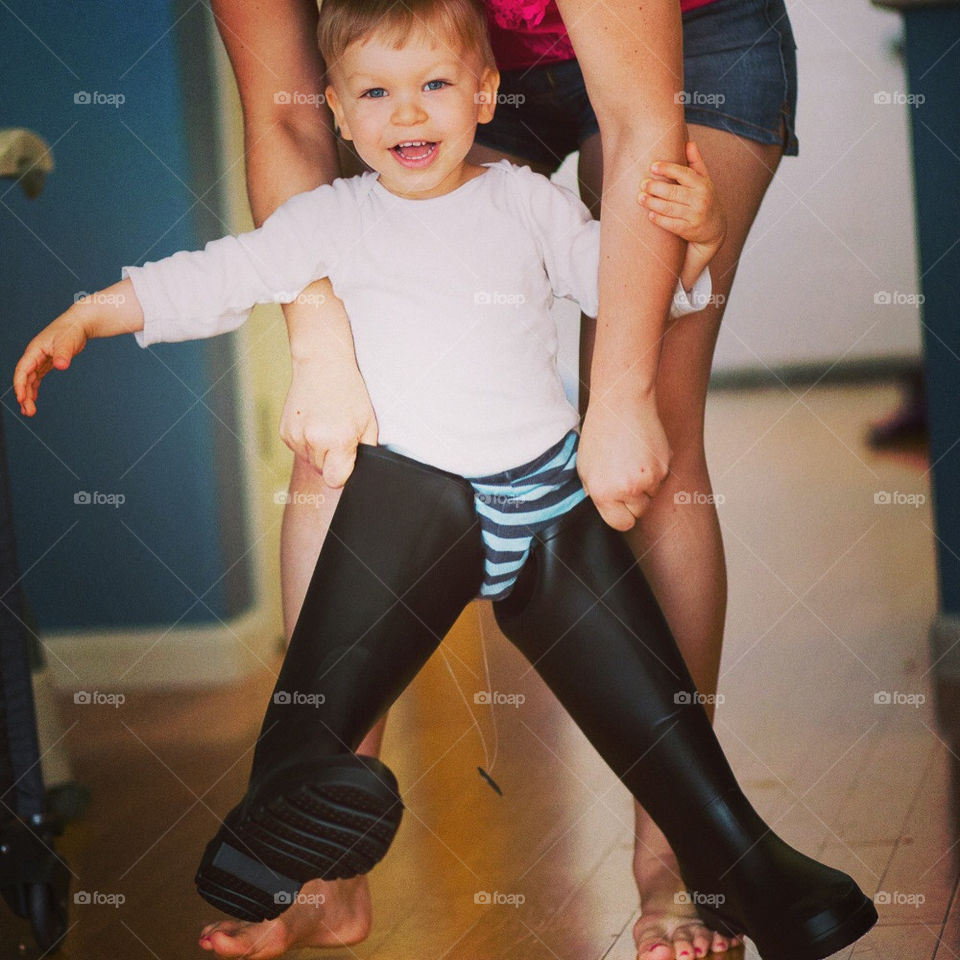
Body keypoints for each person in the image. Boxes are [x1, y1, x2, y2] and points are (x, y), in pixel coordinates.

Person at [13, 5, 875, 960]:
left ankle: (719, 862)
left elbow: (643, 286)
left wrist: (697, 250)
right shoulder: (329, 218)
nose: (407, 115)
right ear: (340, 111)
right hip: (417, 515)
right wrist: (92, 314)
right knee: (326, 651)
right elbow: (214, 276)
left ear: (482, 93)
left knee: (653, 695)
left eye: (430, 91)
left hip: (550, 516)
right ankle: (295, 833)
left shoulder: (524, 204)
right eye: (376, 95)